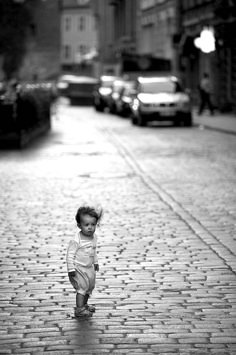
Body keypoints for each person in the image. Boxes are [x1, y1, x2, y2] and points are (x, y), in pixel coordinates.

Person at [67, 205, 103, 318]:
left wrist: (95, 262)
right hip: (78, 268)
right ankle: (79, 309)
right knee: (82, 288)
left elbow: (93, 250)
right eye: (86, 225)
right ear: (79, 225)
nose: (90, 228)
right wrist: (70, 268)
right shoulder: (76, 240)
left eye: (93, 224)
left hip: (89, 268)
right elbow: (70, 255)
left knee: (89, 287)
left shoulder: (94, 237)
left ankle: (84, 305)